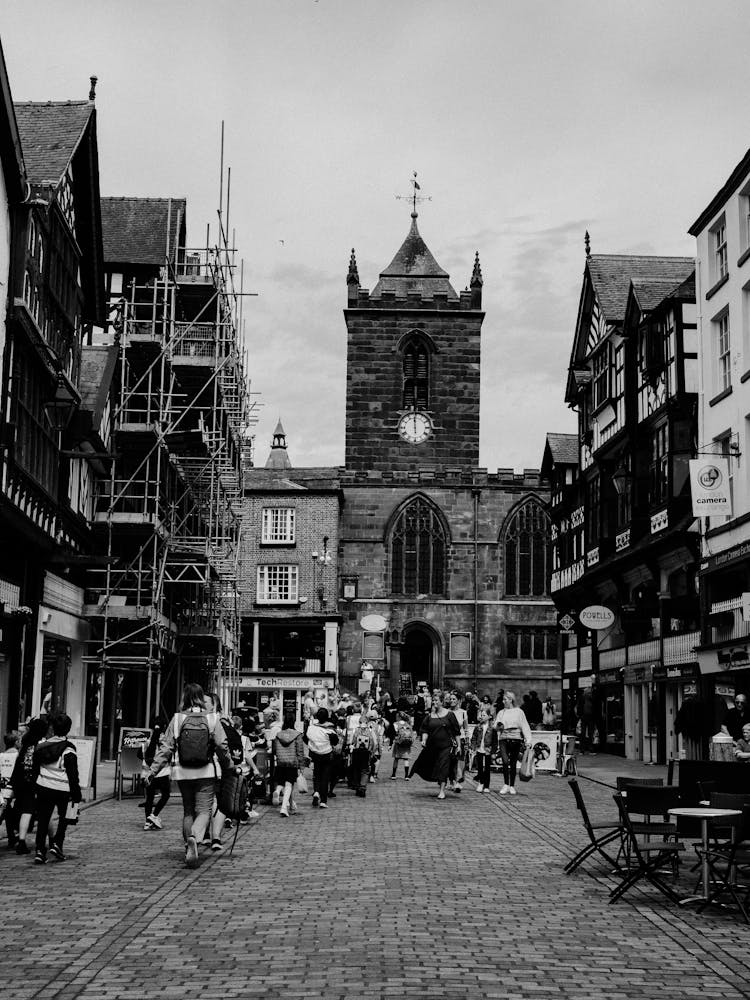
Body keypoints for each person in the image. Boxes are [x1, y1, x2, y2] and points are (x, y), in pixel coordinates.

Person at [143, 682, 238, 869]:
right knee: (204, 810)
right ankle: (195, 836)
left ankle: (189, 846)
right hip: (206, 771)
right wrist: (230, 765)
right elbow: (221, 745)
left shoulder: (177, 719)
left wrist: (152, 770)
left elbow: (166, 748)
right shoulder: (211, 718)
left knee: (188, 809)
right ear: (202, 698)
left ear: (184, 698)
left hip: (182, 771)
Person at [33, 712, 81, 864]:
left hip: (43, 786)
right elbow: (73, 775)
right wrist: (76, 793)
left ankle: (40, 851)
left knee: (43, 820)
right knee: (64, 817)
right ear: (68, 729)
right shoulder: (69, 749)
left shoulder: (41, 746)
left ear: (52, 728)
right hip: (62, 788)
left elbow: (35, 769)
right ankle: (57, 844)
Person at [9, 716, 49, 854]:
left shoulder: (25, 742)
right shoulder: (41, 745)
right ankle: (21, 842)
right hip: (32, 781)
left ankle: (14, 837)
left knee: (20, 807)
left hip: (19, 779)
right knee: (30, 810)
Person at [410, 692, 460, 799]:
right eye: (433, 700)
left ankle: (442, 791)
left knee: (443, 766)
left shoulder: (450, 714)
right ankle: (442, 782)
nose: (434, 702)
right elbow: (425, 730)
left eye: (436, 700)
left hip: (447, 746)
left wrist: (459, 746)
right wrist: (423, 740)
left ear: (442, 702)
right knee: (434, 766)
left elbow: (456, 732)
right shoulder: (429, 716)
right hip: (432, 747)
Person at [494, 691, 532, 795]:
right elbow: (496, 724)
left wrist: (528, 740)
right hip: (503, 738)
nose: (503, 701)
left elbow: (524, 725)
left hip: (516, 738)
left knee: (513, 762)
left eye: (505, 699)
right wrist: (498, 725)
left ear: (511, 699)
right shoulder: (501, 712)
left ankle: (512, 785)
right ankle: (506, 784)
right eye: (503, 699)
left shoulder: (519, 712)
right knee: (505, 761)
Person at [303, 707, 338, 809]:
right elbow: (335, 741)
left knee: (316, 775)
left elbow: (305, 738)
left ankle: (316, 791)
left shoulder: (311, 728)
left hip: (315, 754)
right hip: (327, 754)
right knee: (325, 777)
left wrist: (313, 745)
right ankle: (323, 801)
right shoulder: (329, 729)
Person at [273, 710, 306, 816]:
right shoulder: (297, 735)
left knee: (281, 783)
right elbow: (300, 751)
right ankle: (283, 807)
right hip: (292, 762)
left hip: (281, 761)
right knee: (289, 784)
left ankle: (278, 792)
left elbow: (274, 749)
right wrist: (302, 766)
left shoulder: (278, 734)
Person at [139, 721, 170, 831]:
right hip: (162, 773)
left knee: (149, 798)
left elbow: (140, 755)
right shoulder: (164, 742)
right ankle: (154, 815)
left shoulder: (147, 742)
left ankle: (147, 821)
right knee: (166, 795)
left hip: (147, 774)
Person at [470, 708, 497, 793]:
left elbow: (495, 741)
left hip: (487, 750)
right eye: (481, 715)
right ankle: (481, 783)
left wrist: (493, 752)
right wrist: (473, 747)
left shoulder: (492, 728)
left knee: (487, 768)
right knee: (480, 767)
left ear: (489, 716)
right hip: (479, 749)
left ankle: (486, 785)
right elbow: (474, 738)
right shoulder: (478, 727)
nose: (482, 717)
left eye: (484, 715)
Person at [446, 693, 469, 792]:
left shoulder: (463, 712)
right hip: (449, 739)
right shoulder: (446, 712)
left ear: (459, 701)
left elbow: (466, 728)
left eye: (454, 699)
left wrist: (467, 741)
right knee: (450, 761)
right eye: (450, 699)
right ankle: (450, 781)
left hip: (461, 739)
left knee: (460, 761)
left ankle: (457, 781)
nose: (451, 701)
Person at [391, 711, 414, 780]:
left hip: (399, 743)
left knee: (396, 759)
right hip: (407, 744)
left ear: (399, 717)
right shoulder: (408, 724)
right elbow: (412, 734)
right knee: (406, 759)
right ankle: (406, 775)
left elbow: (394, 733)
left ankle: (394, 774)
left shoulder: (395, 724)